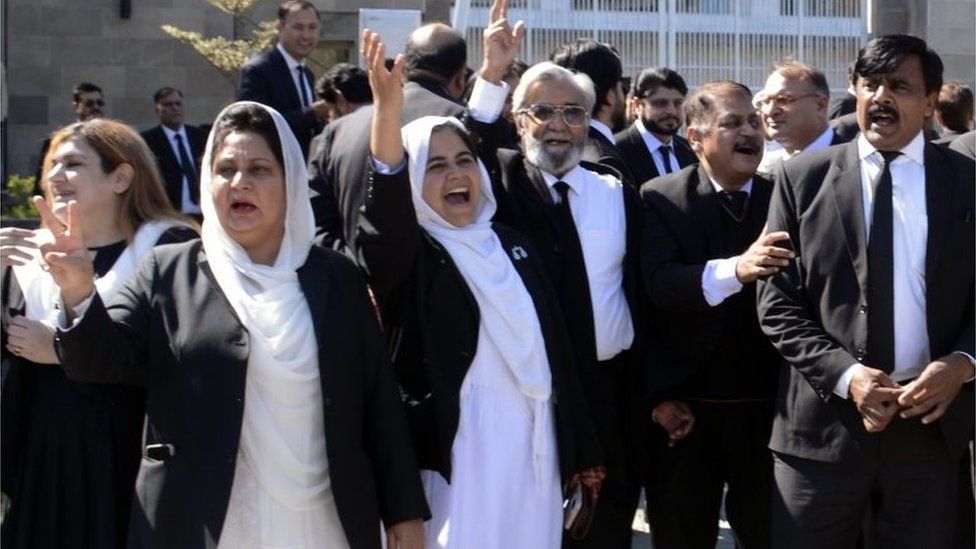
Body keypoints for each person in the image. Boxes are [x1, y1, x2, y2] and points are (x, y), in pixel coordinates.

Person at [43, 101, 429, 548]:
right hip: (203, 522)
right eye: (225, 169)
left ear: (290, 183)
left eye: (259, 169)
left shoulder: (335, 277)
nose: (239, 182)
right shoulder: (168, 271)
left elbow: (378, 400)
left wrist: (404, 511)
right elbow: (99, 362)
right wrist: (77, 290)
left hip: (323, 522)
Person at [357, 30, 604, 549]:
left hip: (535, 451)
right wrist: (386, 116)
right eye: (436, 165)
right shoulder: (416, 256)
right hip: (457, 459)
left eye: (464, 161)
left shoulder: (509, 243)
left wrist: (581, 450)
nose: (456, 173)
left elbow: (555, 348)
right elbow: (384, 224)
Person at [757, 34, 975, 548]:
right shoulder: (800, 180)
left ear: (929, 102)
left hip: (929, 435)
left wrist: (963, 362)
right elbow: (777, 305)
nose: (881, 97)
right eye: (870, 83)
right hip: (819, 438)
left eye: (899, 86)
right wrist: (848, 376)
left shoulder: (968, 183)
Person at [467, 59, 643, 549]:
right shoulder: (498, 186)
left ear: (590, 121)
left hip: (610, 392)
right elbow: (466, 146)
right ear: (518, 119)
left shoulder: (615, 191)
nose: (559, 125)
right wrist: (490, 75)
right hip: (532, 397)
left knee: (606, 528)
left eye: (573, 113)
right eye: (543, 111)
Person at [1, 118, 197, 548]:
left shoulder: (168, 250)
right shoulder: (26, 255)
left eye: (72, 163)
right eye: (52, 164)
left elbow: (183, 361)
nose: (54, 176)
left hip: (128, 462)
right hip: (43, 465)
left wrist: (61, 346)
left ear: (121, 177)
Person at [639, 81, 786, 549]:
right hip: (686, 415)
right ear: (695, 136)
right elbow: (659, 287)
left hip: (770, 414)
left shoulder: (784, 197)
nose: (749, 132)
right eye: (732, 122)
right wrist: (738, 270)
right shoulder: (659, 199)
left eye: (753, 121)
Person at [306, 20, 470, 253]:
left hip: (347, 280)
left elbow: (317, 226)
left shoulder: (337, 130)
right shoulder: (461, 124)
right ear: (461, 77)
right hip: (436, 283)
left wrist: (350, 276)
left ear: (403, 69)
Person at [237, 0, 328, 158]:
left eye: (312, 27)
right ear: (280, 28)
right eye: (298, 27)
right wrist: (312, 113)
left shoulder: (307, 74)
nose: (306, 35)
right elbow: (257, 124)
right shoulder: (259, 70)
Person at [551, 39, 636, 187]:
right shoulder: (604, 163)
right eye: (623, 85)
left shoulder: (553, 148)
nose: (625, 95)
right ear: (610, 94)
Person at [756, 60, 850, 173]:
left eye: (782, 100)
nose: (770, 111)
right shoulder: (764, 170)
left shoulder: (851, 164)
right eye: (766, 101)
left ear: (820, 105)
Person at [615, 67, 697, 187]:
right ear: (637, 105)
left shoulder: (690, 151)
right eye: (660, 103)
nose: (671, 111)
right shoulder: (618, 150)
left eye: (677, 103)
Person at [141, 87, 208, 218]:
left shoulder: (200, 136)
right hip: (170, 213)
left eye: (178, 104)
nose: (175, 108)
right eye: (168, 104)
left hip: (203, 212)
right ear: (157, 110)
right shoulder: (148, 141)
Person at [34, 82, 106, 192]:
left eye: (99, 103)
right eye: (89, 103)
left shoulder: (111, 142)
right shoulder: (57, 143)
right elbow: (42, 186)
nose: (96, 107)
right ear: (76, 106)